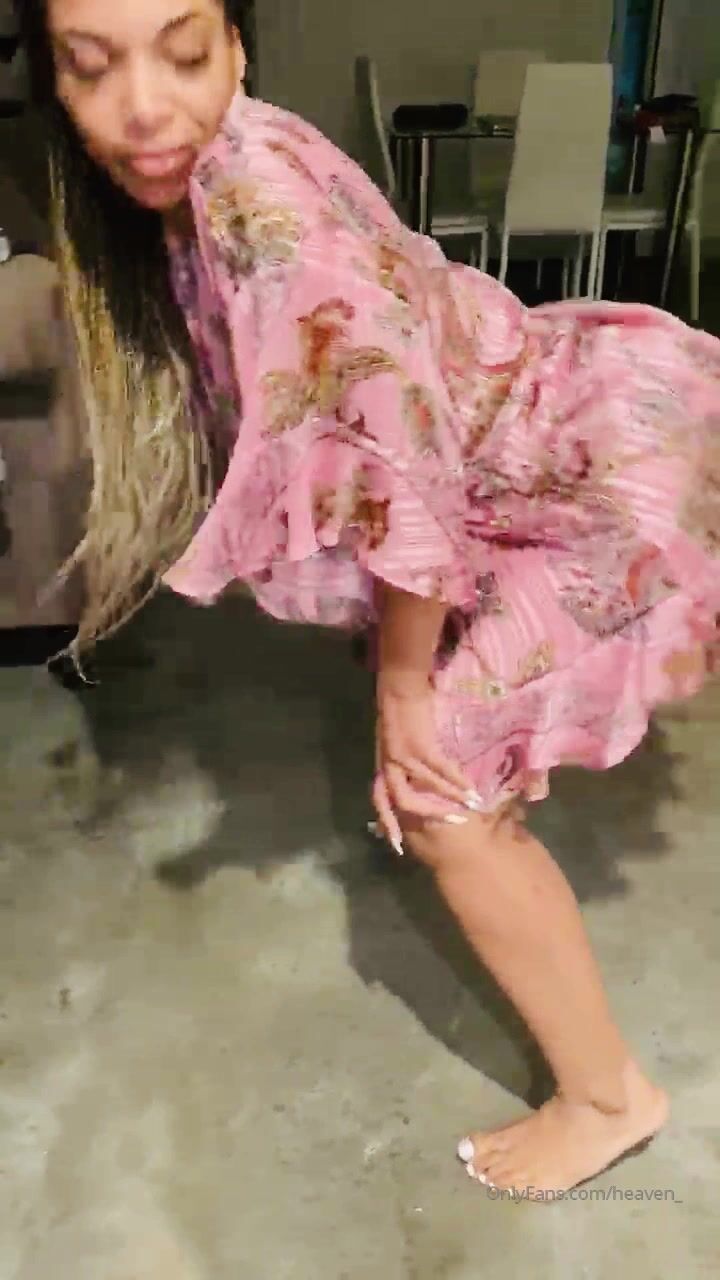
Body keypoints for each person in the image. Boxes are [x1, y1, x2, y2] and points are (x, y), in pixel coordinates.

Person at [19, 0, 720, 1200]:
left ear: (236, 46)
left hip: (572, 475)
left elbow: (397, 454)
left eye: (182, 53)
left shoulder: (267, 212)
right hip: (521, 440)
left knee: (443, 797)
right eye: (92, 68)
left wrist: (407, 687)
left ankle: (610, 1098)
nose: (142, 105)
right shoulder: (217, 159)